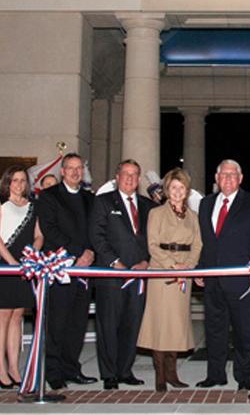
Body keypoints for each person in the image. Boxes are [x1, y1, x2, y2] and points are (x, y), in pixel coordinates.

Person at [195, 159, 250, 390]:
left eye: (232, 175)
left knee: (243, 331)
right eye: (223, 175)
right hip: (213, 279)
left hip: (242, 280)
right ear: (216, 178)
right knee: (214, 330)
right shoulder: (206, 204)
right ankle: (215, 375)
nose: (227, 179)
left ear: (240, 178)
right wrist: (200, 269)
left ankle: (244, 378)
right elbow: (206, 242)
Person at [36, 153, 98, 390]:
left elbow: (95, 229)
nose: (75, 172)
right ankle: (53, 372)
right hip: (61, 267)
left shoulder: (89, 198)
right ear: (62, 171)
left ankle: (72, 368)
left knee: (78, 322)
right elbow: (50, 229)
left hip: (85, 270)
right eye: (70, 168)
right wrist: (78, 252)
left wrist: (90, 251)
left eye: (78, 168)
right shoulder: (49, 197)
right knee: (58, 322)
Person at [90, 159, 154, 390]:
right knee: (108, 324)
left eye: (135, 174)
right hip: (112, 275)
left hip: (139, 275)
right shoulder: (103, 202)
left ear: (139, 179)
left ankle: (125, 370)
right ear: (117, 177)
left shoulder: (148, 206)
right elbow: (97, 236)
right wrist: (114, 262)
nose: (130, 178)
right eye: (126, 174)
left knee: (132, 322)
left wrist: (146, 262)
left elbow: (152, 240)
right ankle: (109, 374)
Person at [138, 168, 201, 392]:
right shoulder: (156, 213)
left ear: (186, 191)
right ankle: (160, 375)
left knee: (177, 324)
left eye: (181, 188)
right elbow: (152, 245)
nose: (177, 191)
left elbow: (197, 245)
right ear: (167, 190)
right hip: (162, 273)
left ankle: (173, 373)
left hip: (184, 274)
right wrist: (172, 265)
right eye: (173, 187)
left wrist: (189, 266)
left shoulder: (193, 216)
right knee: (160, 325)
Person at [0, 165, 42, 389]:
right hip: (3, 264)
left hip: (25, 266)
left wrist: (32, 255)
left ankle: (14, 367)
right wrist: (12, 262)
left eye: (22, 180)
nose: (19, 184)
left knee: (18, 315)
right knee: (3, 316)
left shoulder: (32, 206)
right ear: (8, 182)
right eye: (15, 180)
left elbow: (39, 235)